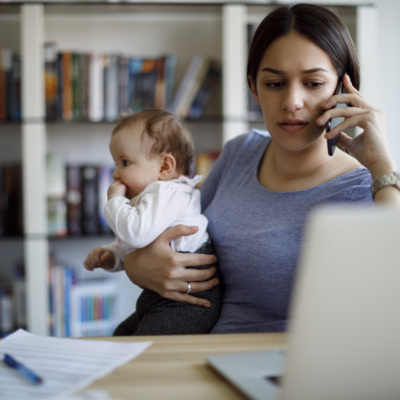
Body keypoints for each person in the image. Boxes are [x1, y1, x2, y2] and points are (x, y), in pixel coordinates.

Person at [121, 4, 400, 334]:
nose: (292, 101)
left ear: (342, 89)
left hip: (288, 372)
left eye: (313, 83)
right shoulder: (241, 152)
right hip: (199, 355)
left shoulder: (372, 189)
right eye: (275, 84)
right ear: (254, 87)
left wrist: (382, 167)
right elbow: (171, 229)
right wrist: (135, 264)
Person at [83, 108, 221, 335]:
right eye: (116, 164)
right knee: (120, 335)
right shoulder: (153, 196)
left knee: (144, 350)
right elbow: (141, 243)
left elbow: (136, 233)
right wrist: (113, 255)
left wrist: (114, 200)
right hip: (160, 296)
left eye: (125, 163)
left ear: (165, 167)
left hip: (187, 303)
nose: (116, 174)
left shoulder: (168, 192)